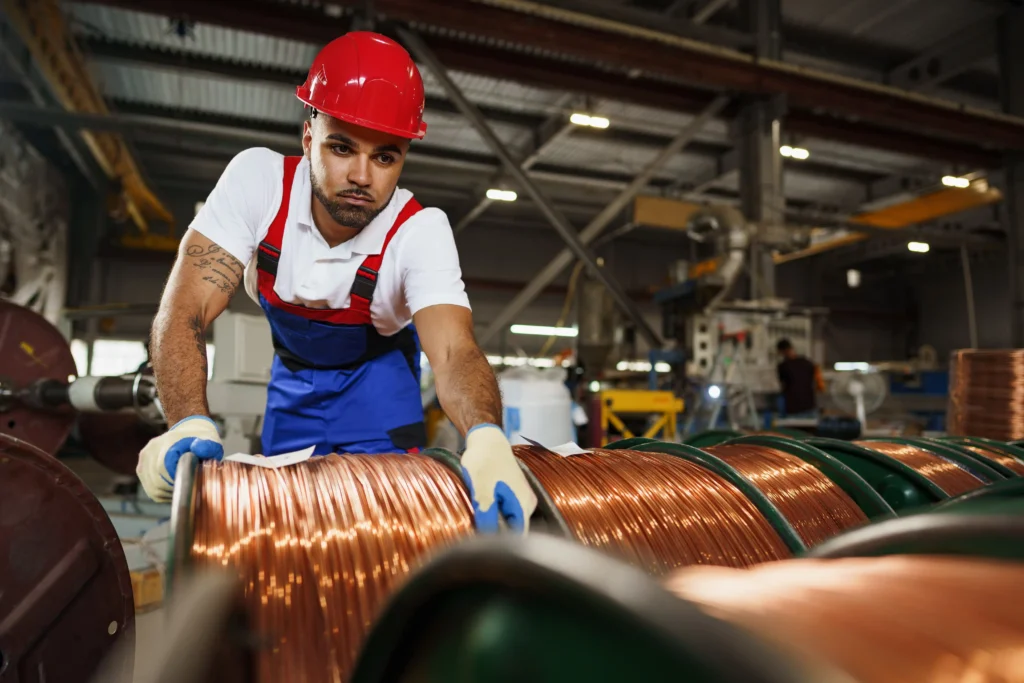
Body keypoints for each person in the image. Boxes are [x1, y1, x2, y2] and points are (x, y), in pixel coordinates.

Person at [136, 32, 537, 533]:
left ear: (404, 158)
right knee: (288, 522)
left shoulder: (419, 231)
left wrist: (485, 436)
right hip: (293, 383)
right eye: (342, 147)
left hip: (380, 385)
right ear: (308, 137)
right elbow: (184, 309)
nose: (362, 176)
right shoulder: (257, 184)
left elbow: (455, 351)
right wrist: (186, 421)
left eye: (385, 156)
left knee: (390, 526)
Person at [775, 339, 825, 417]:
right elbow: (817, 382)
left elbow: (783, 384)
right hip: (810, 406)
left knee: (793, 429)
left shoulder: (783, 366)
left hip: (793, 408)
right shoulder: (808, 363)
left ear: (782, 352)